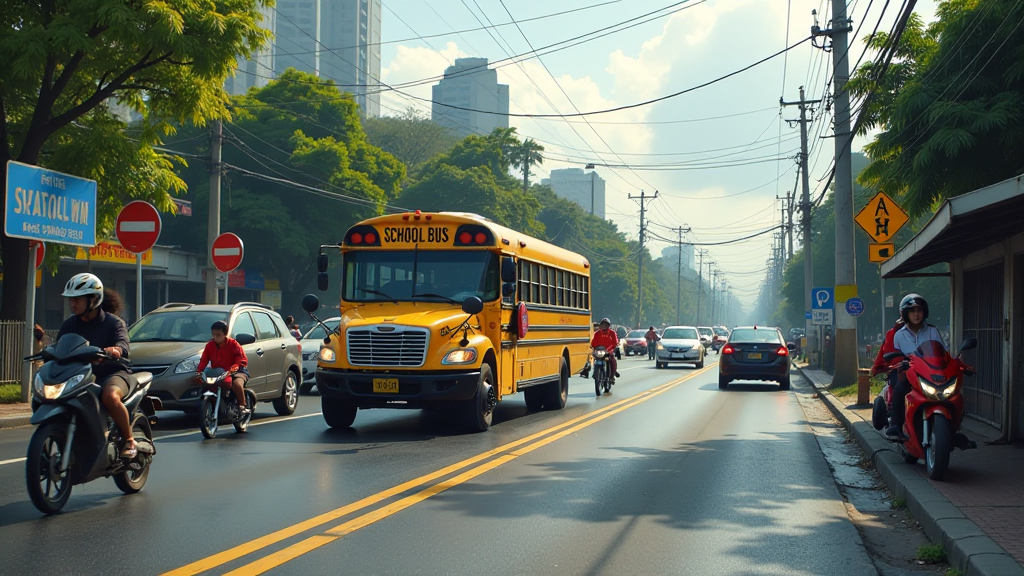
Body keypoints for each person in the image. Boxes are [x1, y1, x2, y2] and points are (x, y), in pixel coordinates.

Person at [56, 274, 136, 457]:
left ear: (94, 299)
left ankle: (130, 440)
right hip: (81, 375)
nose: (73, 304)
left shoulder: (113, 322)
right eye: (71, 300)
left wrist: (116, 350)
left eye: (77, 299)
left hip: (112, 373)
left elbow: (123, 344)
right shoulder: (69, 324)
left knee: (109, 396)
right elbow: (59, 346)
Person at [885, 293, 948, 439]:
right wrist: (900, 363)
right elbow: (893, 357)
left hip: (931, 373)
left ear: (924, 312)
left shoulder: (932, 331)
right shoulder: (899, 335)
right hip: (909, 373)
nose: (916, 314)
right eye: (912, 311)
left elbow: (942, 351)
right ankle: (895, 425)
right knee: (900, 389)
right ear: (905, 314)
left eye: (919, 310)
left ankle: (954, 428)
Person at [196, 320, 250, 415]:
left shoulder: (233, 344)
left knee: (236, 384)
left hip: (237, 371)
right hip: (219, 373)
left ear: (225, 333)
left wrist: (235, 367)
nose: (215, 337)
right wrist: (199, 371)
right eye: (213, 335)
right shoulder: (209, 345)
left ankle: (242, 406)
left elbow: (241, 358)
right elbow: (204, 360)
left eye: (218, 335)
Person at [590, 318, 621, 384]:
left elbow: (615, 342)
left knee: (612, 360)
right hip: (599, 351)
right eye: (603, 324)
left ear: (608, 325)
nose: (604, 326)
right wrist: (594, 347)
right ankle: (595, 374)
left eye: (605, 324)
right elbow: (593, 343)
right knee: (595, 360)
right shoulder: (597, 333)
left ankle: (612, 375)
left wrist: (610, 348)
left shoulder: (612, 333)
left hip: (608, 351)